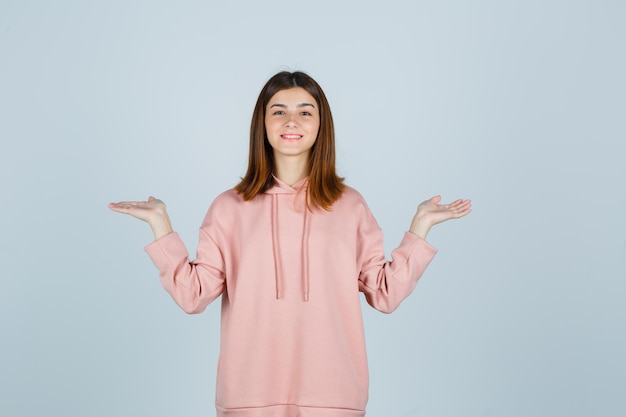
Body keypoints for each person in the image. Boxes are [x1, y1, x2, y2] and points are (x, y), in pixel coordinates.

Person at [108, 71, 471, 417]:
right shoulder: (228, 208)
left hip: (335, 398)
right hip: (247, 399)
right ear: (262, 124)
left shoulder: (350, 206)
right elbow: (194, 295)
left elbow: (385, 293)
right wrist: (160, 224)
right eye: (278, 111)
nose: (291, 121)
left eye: (304, 112)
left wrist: (420, 227)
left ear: (320, 125)